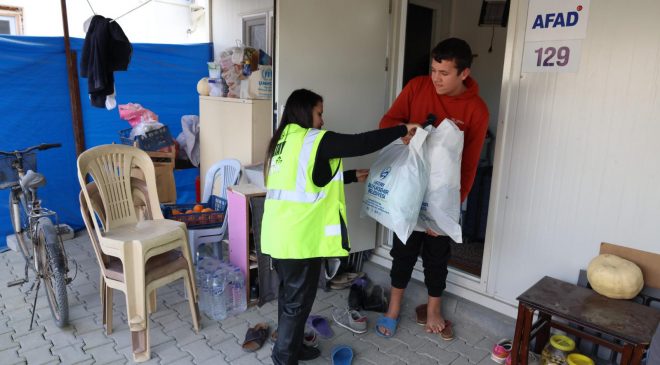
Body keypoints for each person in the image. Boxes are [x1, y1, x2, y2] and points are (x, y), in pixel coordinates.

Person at [260, 89, 419, 364]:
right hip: (300, 240)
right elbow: (360, 143)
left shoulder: (283, 141)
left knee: (290, 300)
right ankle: (284, 358)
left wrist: (347, 177)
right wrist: (402, 129)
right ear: (305, 111)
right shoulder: (313, 140)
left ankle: (292, 347)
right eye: (319, 113)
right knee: (297, 305)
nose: (322, 120)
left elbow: (306, 180)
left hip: (279, 236)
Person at [376, 37, 490, 338]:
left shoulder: (476, 110)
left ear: (464, 74)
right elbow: (388, 121)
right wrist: (403, 133)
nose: (436, 78)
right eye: (433, 70)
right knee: (403, 250)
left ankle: (434, 308)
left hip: (442, 195)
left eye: (444, 73)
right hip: (408, 186)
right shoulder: (417, 86)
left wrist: (446, 213)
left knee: (437, 255)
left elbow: (470, 164)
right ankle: (394, 307)